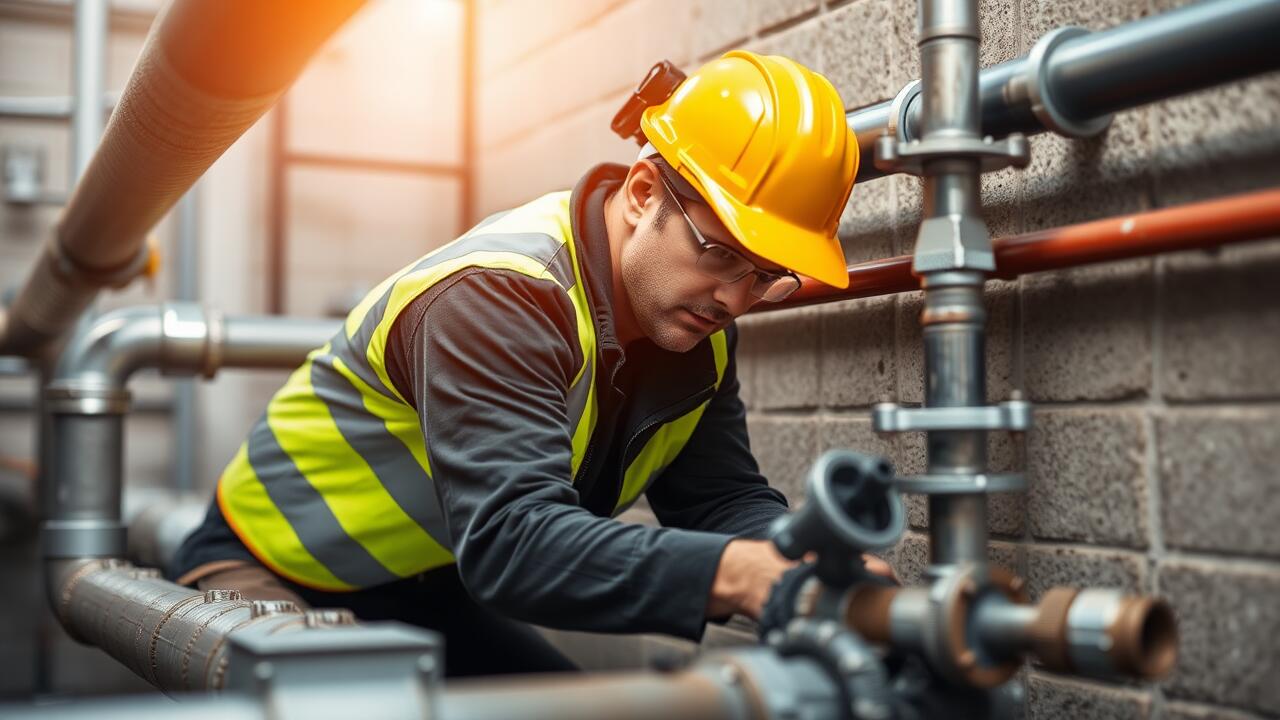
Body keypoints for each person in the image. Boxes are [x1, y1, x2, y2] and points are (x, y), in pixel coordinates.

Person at [170, 50, 889, 677]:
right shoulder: (498, 296)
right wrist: (735, 577)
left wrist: (799, 555)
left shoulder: (696, 326)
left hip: (427, 584)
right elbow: (514, 542)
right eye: (722, 253)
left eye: (767, 275)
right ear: (643, 195)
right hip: (273, 564)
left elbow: (718, 499)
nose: (737, 296)